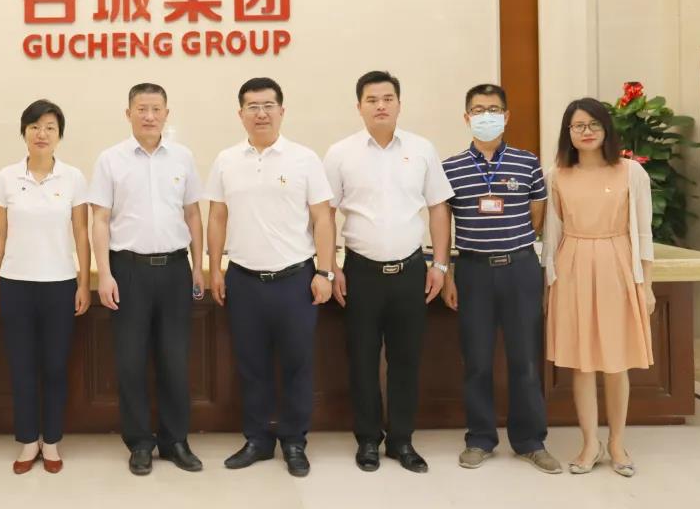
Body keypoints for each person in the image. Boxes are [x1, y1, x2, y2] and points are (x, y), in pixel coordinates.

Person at [322, 70, 453, 473]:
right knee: (362, 360)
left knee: (406, 360)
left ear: (399, 104)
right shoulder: (340, 153)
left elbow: (438, 208)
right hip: (360, 273)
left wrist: (441, 264)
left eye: (388, 98)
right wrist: (330, 266)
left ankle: (401, 440)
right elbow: (324, 214)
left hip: (412, 271)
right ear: (359, 106)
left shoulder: (422, 149)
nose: (380, 106)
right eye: (372, 100)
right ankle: (367, 439)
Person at [206, 77, 336, 478]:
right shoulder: (226, 160)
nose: (260, 113)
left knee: (298, 364)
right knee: (251, 365)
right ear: (240, 113)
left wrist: (325, 271)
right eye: (252, 106)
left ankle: (294, 441)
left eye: (268, 106)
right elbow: (217, 217)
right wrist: (216, 268)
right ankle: (258, 440)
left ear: (281, 111)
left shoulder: (304, 159)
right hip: (243, 279)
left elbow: (323, 218)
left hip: (295, 279)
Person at [440, 83, 561, 473]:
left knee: (525, 359)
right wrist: (448, 274)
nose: (486, 116)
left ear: (506, 116)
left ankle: (530, 441)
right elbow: (444, 224)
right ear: (466, 118)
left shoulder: (527, 163)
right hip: (472, 271)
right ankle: (479, 438)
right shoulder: (450, 167)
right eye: (478, 110)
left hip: (520, 269)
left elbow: (536, 218)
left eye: (493, 109)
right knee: (476, 360)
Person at [88, 83, 205, 476]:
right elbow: (99, 219)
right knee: (130, 361)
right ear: (129, 114)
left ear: (166, 113)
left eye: (156, 109)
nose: (149, 116)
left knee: (175, 360)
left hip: (174, 269)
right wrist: (104, 273)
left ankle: (176, 441)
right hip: (128, 270)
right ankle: (139, 442)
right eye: (142, 108)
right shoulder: (110, 159)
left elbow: (193, 214)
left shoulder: (183, 157)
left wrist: (198, 266)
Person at [543, 97, 655, 478]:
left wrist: (647, 284)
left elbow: (643, 232)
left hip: (617, 265)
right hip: (572, 266)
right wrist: (549, 284)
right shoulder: (557, 175)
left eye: (593, 124)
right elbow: (551, 235)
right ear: (568, 133)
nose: (586, 132)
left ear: (606, 128)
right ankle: (590, 442)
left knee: (616, 361)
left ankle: (617, 442)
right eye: (578, 126)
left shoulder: (630, 172)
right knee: (583, 362)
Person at [0, 100, 91, 474]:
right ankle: (29, 440)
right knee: (22, 366)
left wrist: (83, 282)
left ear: (59, 135)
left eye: (49, 127)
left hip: (60, 284)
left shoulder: (73, 178)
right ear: (24, 132)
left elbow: (81, 232)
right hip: (16, 284)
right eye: (34, 127)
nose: (41, 134)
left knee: (55, 366)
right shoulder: (7, 177)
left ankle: (52, 441)